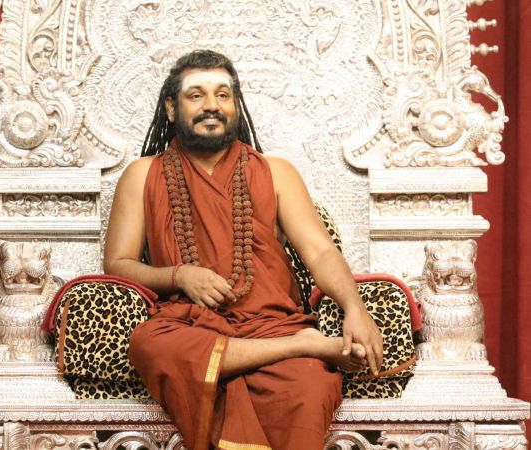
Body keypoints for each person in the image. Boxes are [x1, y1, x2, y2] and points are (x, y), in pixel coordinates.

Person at [103, 50, 383, 450]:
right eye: (196, 95)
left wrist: (355, 308)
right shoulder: (142, 174)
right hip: (190, 325)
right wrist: (180, 275)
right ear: (171, 108)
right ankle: (302, 344)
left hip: (270, 321)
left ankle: (293, 347)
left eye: (223, 95)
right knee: (150, 344)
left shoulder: (276, 171)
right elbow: (118, 264)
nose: (211, 105)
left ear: (236, 105)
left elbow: (320, 251)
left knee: (309, 384)